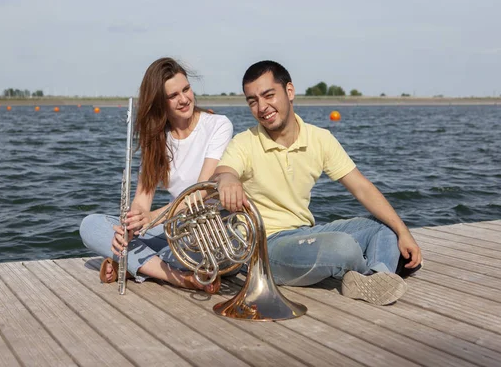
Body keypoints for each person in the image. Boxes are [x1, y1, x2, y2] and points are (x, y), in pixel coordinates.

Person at [211, 60, 422, 305]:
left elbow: (362, 188)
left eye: (269, 95)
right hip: (263, 248)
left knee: (385, 226)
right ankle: (381, 267)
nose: (262, 107)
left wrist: (404, 232)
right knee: (342, 247)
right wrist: (227, 180)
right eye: (253, 101)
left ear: (289, 92)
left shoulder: (320, 138)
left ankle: (377, 276)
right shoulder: (244, 142)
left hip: (305, 234)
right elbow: (225, 172)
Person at [80, 57, 233, 292]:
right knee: (91, 226)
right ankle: (178, 277)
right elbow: (141, 202)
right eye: (173, 96)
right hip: (172, 226)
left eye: (186, 89)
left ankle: (135, 263)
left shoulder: (218, 125)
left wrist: (151, 218)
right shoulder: (156, 139)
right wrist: (130, 228)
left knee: (183, 248)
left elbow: (202, 191)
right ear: (160, 102)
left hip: (210, 227)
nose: (184, 99)